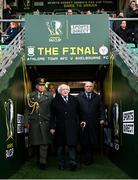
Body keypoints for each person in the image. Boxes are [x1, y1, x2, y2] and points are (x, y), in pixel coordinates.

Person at [24, 78, 53, 170]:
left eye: (43, 85)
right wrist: (26, 121)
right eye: (40, 85)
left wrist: (52, 123)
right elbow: (26, 109)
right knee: (35, 143)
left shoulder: (50, 95)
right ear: (36, 86)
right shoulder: (31, 95)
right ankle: (38, 159)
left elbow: (53, 110)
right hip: (34, 122)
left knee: (44, 143)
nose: (41, 87)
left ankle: (42, 162)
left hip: (45, 122)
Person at [50, 84, 79, 171]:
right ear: (59, 91)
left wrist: (80, 122)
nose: (65, 91)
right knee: (60, 147)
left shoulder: (74, 99)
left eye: (67, 89)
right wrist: (52, 127)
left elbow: (79, 112)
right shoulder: (55, 101)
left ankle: (72, 163)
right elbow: (52, 115)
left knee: (72, 146)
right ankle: (61, 164)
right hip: (60, 127)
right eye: (63, 89)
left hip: (72, 127)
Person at [77, 81, 105, 166]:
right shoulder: (78, 97)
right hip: (83, 123)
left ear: (92, 87)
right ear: (84, 87)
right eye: (87, 86)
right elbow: (76, 110)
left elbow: (101, 109)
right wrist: (78, 121)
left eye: (90, 86)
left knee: (92, 141)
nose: (89, 88)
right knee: (84, 141)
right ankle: (86, 158)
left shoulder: (97, 97)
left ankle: (90, 158)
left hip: (94, 122)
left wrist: (102, 118)